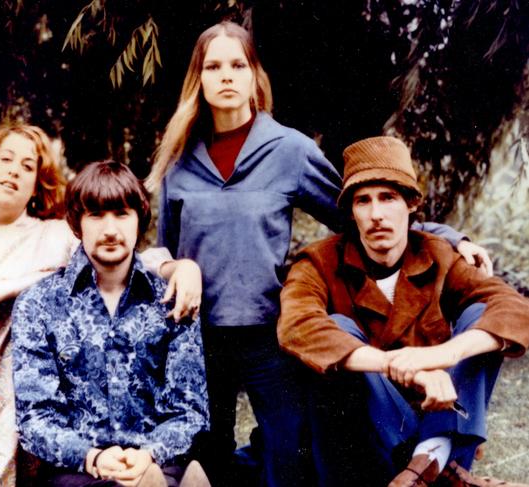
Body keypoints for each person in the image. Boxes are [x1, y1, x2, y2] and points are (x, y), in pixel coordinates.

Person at [146, 21, 492, 487]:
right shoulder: (179, 157)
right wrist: (173, 266)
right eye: (213, 66)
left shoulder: (288, 150)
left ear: (255, 76)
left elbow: (360, 214)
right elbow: (162, 247)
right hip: (198, 335)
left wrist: (448, 236)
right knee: (207, 455)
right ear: (198, 79)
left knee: (288, 455)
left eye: (237, 65)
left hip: (270, 332)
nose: (226, 76)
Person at [0, 125, 198, 487]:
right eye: (5, 159)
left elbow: (116, 250)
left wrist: (179, 267)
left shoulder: (50, 237)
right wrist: (15, 285)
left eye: (28, 166)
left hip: (4, 397)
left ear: (37, 184)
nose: (14, 171)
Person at [277, 136, 529, 487]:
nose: (376, 214)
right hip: (359, 444)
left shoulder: (436, 253)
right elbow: (297, 326)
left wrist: (444, 354)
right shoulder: (318, 262)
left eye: (388, 198)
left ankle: (430, 456)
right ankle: (438, 466)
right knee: (338, 326)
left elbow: (515, 309)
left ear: (411, 204)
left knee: (482, 312)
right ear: (351, 211)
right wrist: (405, 368)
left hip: (432, 411)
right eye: (363, 201)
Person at [11, 161, 210, 487]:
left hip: (156, 462)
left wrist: (149, 453)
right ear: (77, 223)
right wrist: (94, 458)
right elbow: (36, 418)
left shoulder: (174, 300)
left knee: (164, 480)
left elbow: (190, 410)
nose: (109, 229)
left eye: (121, 214)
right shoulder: (39, 304)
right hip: (76, 469)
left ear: (139, 220)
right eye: (96, 215)